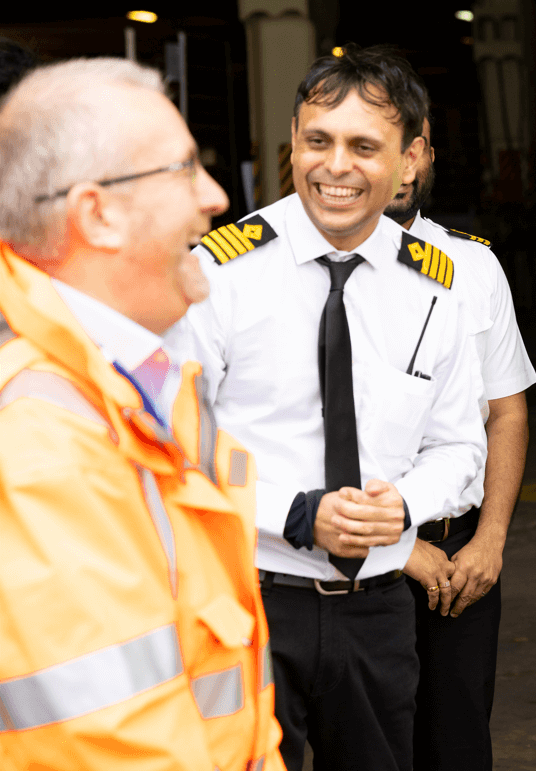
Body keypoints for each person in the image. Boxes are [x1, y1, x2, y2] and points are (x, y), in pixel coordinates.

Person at [170, 44, 486, 771]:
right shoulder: (220, 274)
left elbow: (460, 447)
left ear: (409, 160)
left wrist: (402, 506)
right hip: (243, 602)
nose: (335, 166)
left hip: (377, 609)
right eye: (317, 141)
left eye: (363, 147)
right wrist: (295, 513)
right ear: (293, 141)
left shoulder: (435, 287)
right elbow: (179, 440)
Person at [0, 58, 283, 770]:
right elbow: (112, 743)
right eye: (184, 169)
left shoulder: (133, 377)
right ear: (97, 214)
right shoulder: (42, 439)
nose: (216, 196)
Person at [388, 105, 536, 768]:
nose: (399, 166)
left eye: (411, 145)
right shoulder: (301, 274)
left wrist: (491, 542)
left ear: (427, 153)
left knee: (459, 747)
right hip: (356, 563)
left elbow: (506, 412)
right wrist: (397, 547)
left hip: (463, 559)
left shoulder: (473, 265)